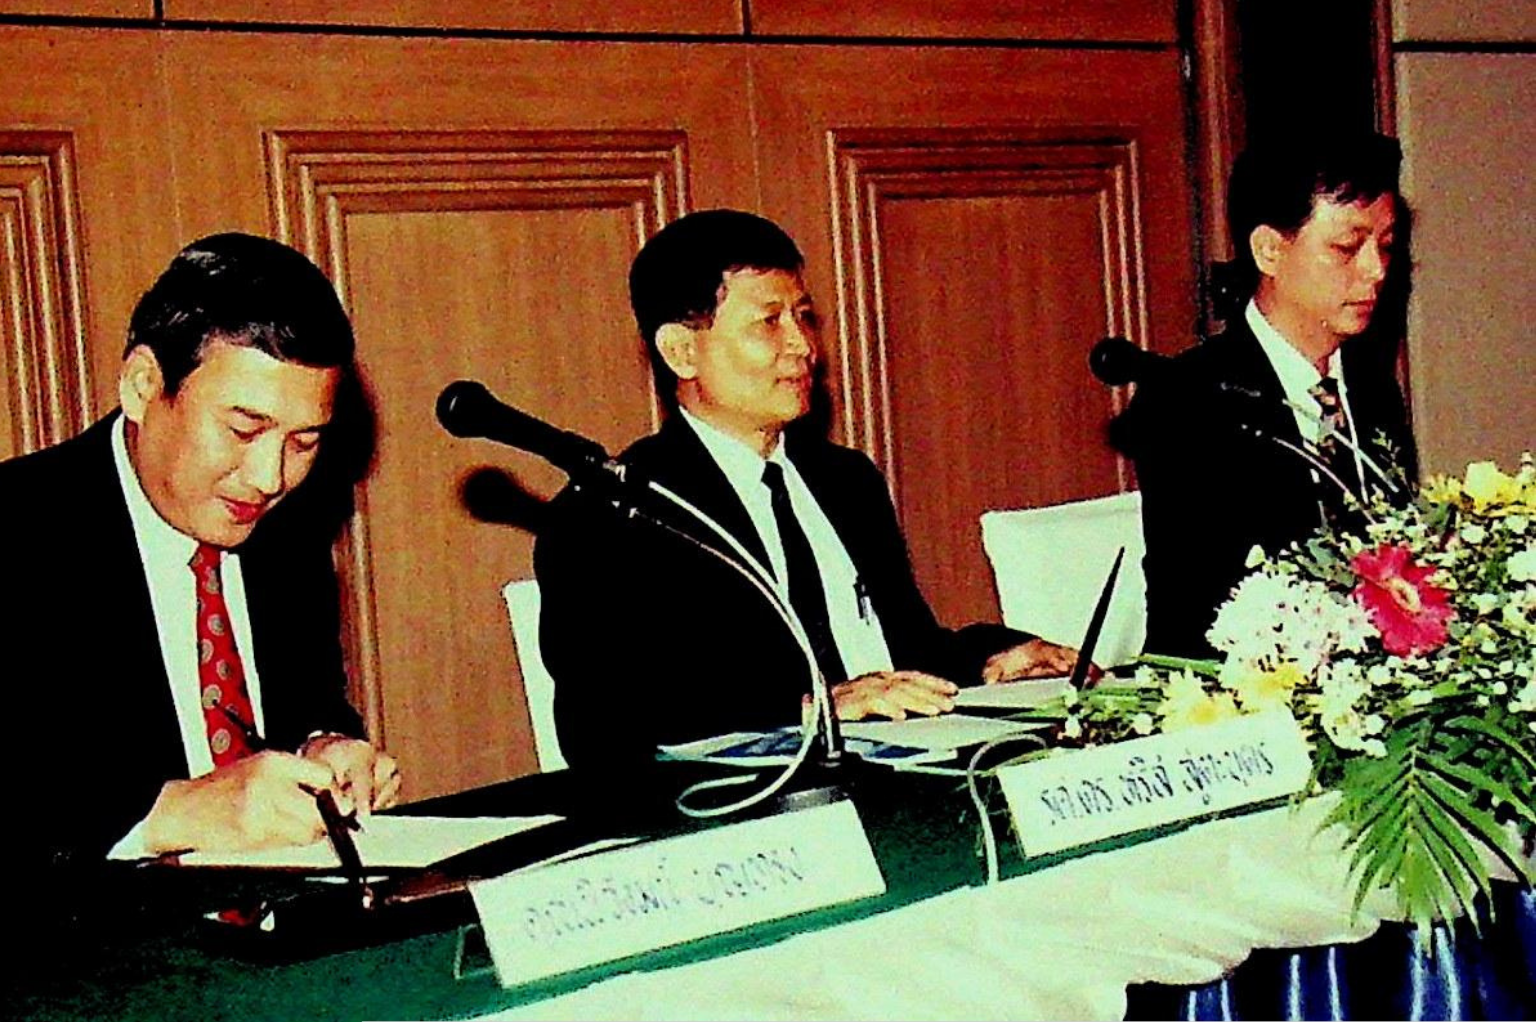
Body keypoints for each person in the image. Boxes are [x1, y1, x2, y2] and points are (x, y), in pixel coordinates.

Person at [0, 232, 399, 921]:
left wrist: (324, 745)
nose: (270, 476)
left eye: (304, 440)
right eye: (243, 430)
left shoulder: (284, 537)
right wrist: (166, 814)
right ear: (142, 386)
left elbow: (304, 700)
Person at [533, 209, 1082, 768]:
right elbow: (606, 726)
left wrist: (992, 657)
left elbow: (905, 653)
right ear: (682, 351)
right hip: (751, 804)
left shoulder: (846, 480)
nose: (802, 346)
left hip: (907, 772)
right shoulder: (614, 514)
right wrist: (811, 709)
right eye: (769, 322)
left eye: (803, 317)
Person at [1113, 131, 1418, 659]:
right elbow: (1202, 614)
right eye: (1347, 248)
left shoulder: (1371, 387)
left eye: (1386, 246)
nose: (1376, 269)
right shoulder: (1188, 399)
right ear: (1270, 250)